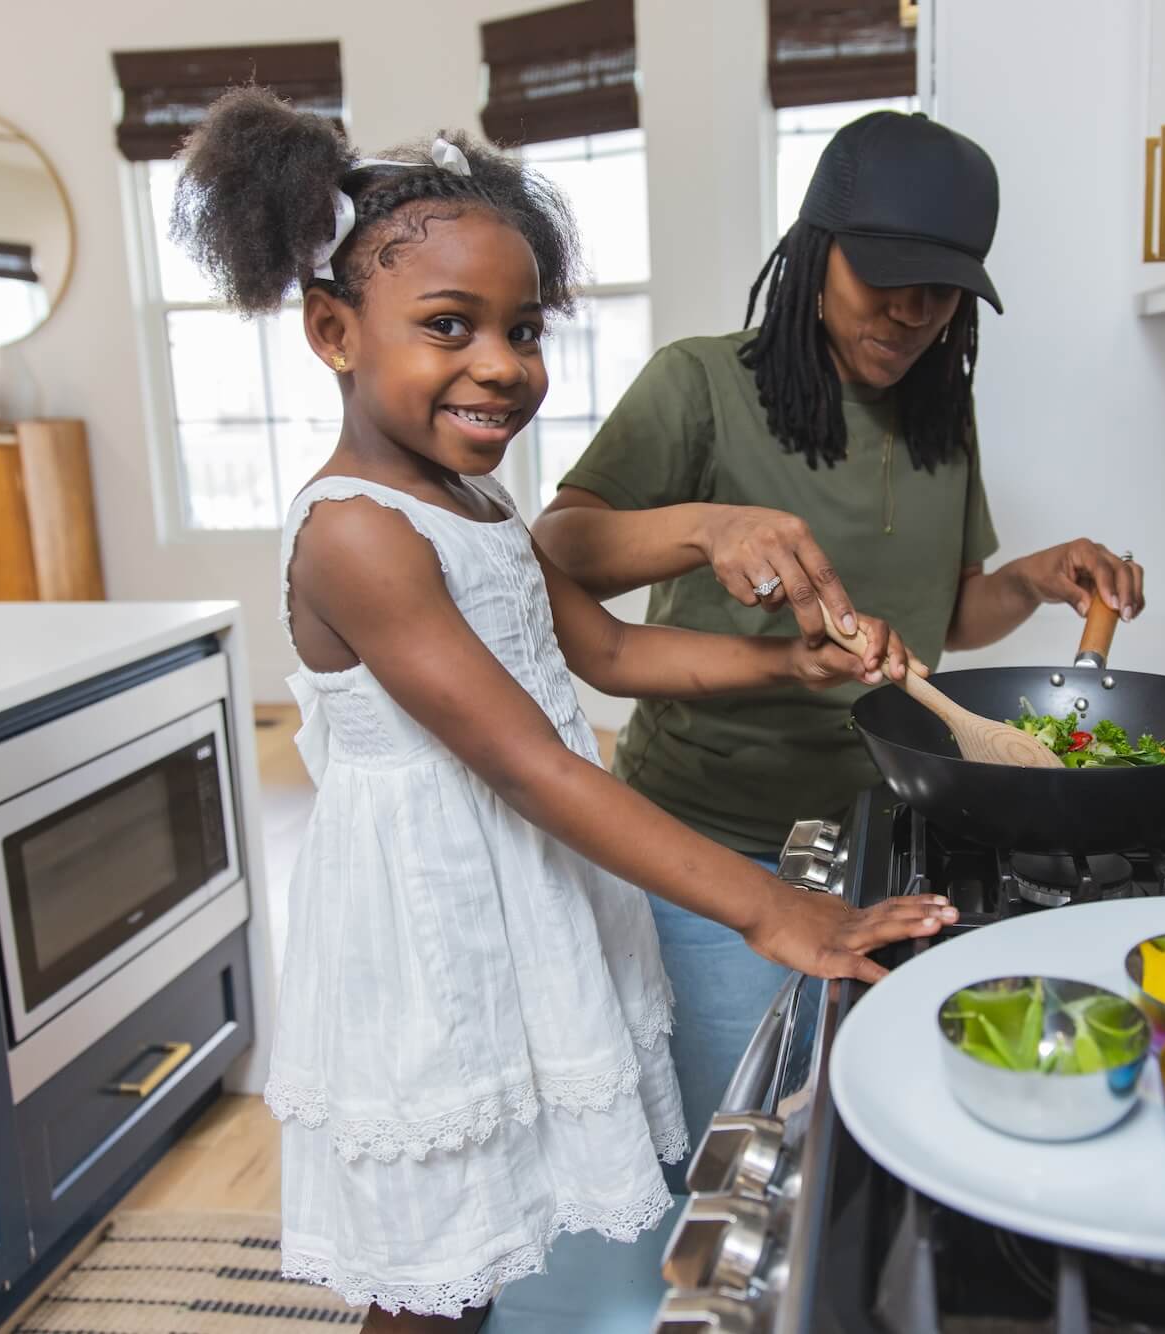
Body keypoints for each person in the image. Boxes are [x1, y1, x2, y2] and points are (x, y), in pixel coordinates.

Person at [168, 89, 956, 1328]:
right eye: (447, 325)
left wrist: (786, 666)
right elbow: (537, 765)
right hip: (430, 932)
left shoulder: (478, 506)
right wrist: (772, 909)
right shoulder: (356, 535)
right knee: (437, 1268)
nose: (500, 364)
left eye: (522, 329)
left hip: (524, 895)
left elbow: (602, 650)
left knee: (505, 1230)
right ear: (332, 329)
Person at [532, 112, 1149, 1156]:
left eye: (940, 291)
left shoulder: (939, 416)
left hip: (885, 843)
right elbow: (560, 545)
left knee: (835, 1138)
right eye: (885, 279)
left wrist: (1035, 579)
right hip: (711, 844)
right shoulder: (699, 384)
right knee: (725, 1140)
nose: (910, 314)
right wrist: (703, 526)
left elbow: (948, 611)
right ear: (817, 253)